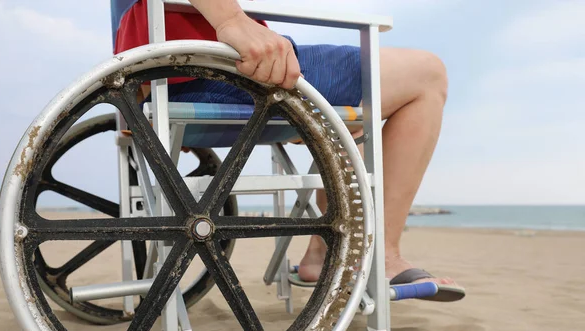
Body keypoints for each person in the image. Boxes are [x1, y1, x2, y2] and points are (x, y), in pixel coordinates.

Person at [112, 0, 465, 301]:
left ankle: (324, 253)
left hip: (158, 80)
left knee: (353, 119)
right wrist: (232, 20)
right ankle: (380, 256)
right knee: (428, 74)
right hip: (209, 64)